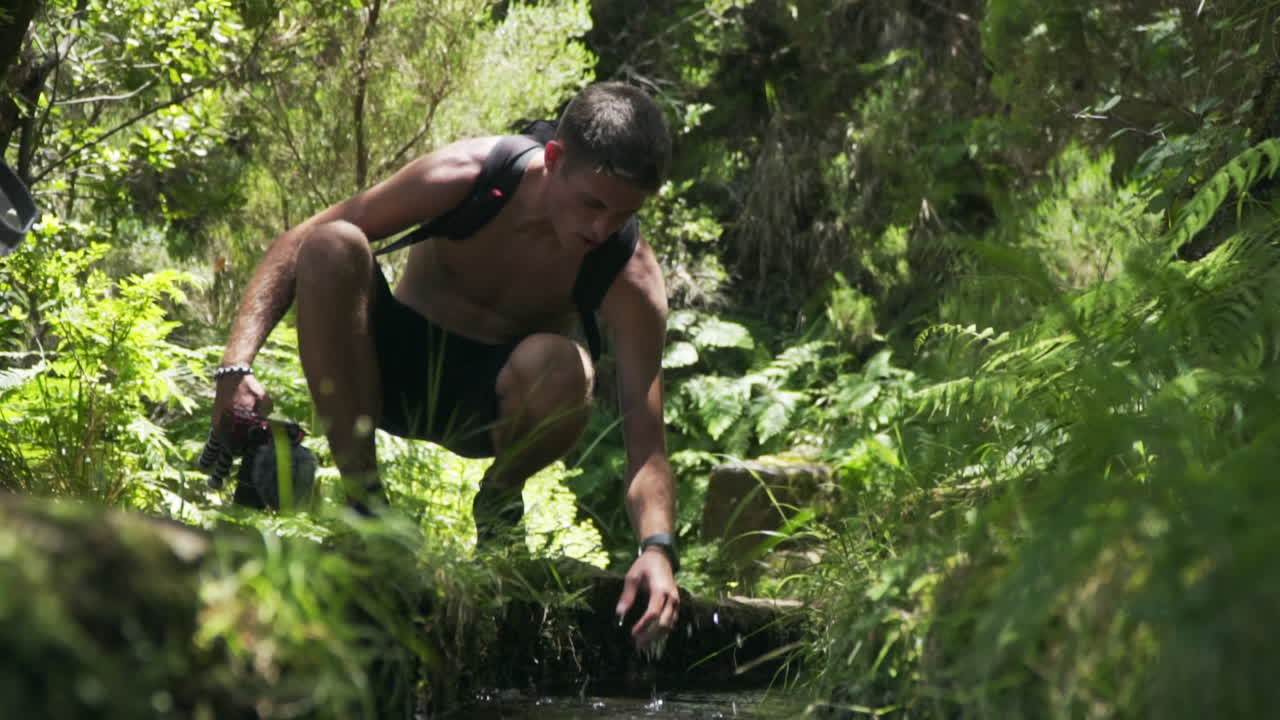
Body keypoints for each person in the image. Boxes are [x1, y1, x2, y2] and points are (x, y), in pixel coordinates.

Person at [211, 82, 679, 649]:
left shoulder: (630, 275)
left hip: (492, 405)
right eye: (592, 204)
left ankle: (500, 501)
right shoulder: (475, 175)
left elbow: (646, 446)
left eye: (623, 212)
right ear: (554, 159)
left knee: (568, 366)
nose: (602, 227)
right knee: (333, 243)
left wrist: (656, 550)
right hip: (385, 375)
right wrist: (235, 369)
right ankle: (366, 506)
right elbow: (295, 244)